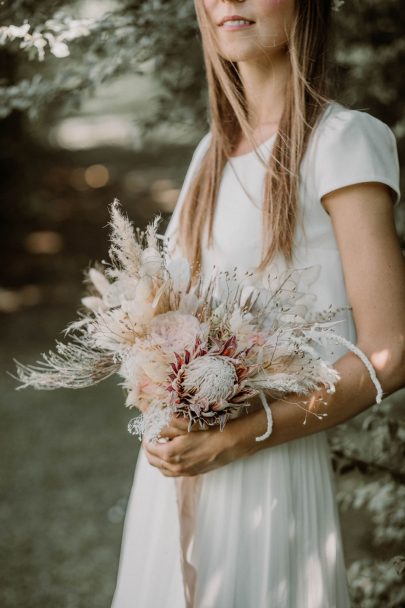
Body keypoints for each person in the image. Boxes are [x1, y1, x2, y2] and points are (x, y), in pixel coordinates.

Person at [111, 1, 405, 606]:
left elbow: (391, 352)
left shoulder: (345, 141)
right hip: (173, 476)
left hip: (269, 472)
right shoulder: (208, 155)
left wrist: (241, 436)